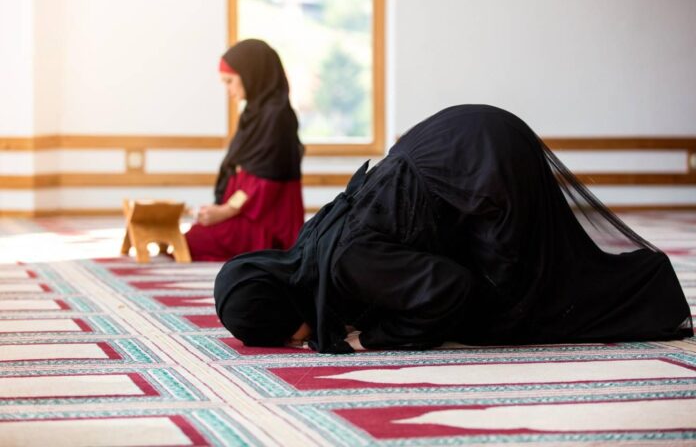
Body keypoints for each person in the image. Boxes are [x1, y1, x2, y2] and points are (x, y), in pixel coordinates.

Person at [213, 105, 693, 353]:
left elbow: (449, 287)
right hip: (455, 141)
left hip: (478, 166)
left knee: (513, 309)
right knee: (542, 274)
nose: (293, 341)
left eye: (281, 332)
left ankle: (649, 288)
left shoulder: (346, 263)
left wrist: (377, 337)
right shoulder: (312, 249)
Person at [185, 39, 305, 261]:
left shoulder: (276, 116)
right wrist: (221, 210)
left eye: (230, 81)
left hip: (265, 222)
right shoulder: (254, 113)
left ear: (251, 75)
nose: (228, 91)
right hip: (245, 213)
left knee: (190, 242)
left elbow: (265, 183)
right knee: (188, 238)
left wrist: (224, 212)